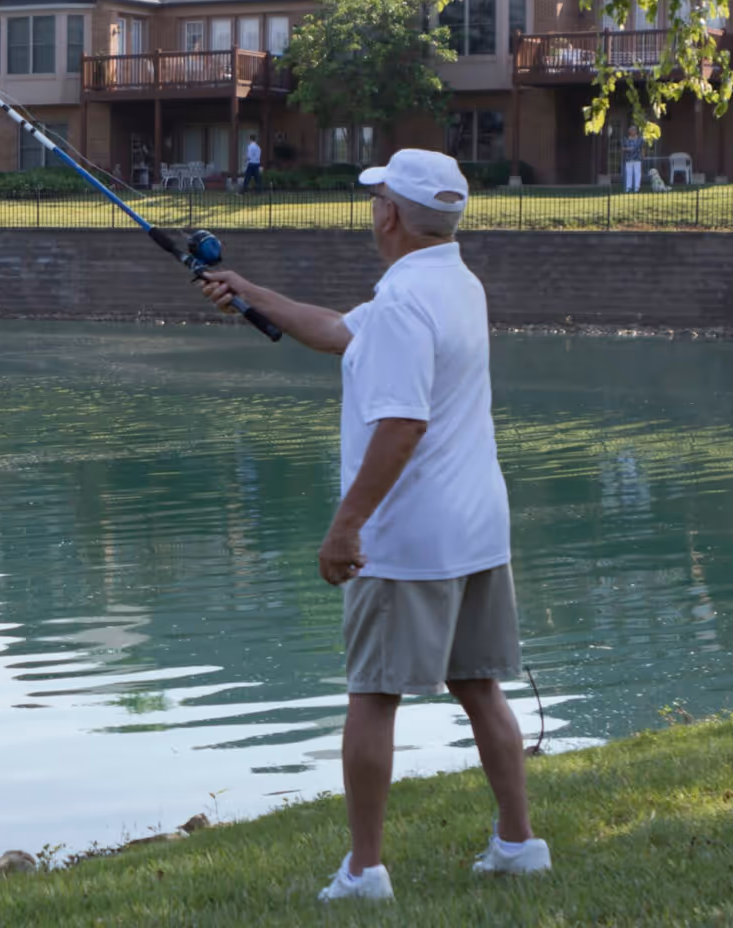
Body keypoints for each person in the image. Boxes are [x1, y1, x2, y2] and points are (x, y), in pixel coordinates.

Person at [198, 147, 550, 904]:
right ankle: (518, 844)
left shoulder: (401, 303)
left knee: (371, 696)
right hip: (477, 528)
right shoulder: (456, 283)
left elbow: (400, 426)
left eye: (376, 198)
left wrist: (345, 527)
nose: (371, 209)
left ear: (390, 213)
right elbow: (334, 330)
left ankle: (364, 871)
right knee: (480, 685)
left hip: (409, 538)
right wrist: (251, 290)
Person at [622, 126, 644, 193]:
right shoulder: (626, 139)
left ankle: (637, 187)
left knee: (637, 173)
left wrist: (643, 155)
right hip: (628, 159)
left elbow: (642, 148)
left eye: (634, 130)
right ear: (629, 131)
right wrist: (627, 149)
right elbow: (622, 148)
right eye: (631, 130)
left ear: (636, 131)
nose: (633, 131)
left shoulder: (640, 139)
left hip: (637, 158)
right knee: (629, 173)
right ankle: (628, 188)